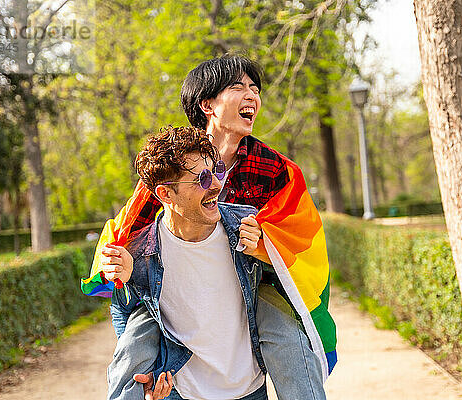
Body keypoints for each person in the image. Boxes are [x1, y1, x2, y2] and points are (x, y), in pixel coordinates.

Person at [82, 55, 335, 399]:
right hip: (180, 297)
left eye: (254, 88)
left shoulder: (275, 168)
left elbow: (302, 234)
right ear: (207, 104)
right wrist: (119, 264)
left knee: (287, 336)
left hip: (254, 284)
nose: (252, 96)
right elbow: (128, 234)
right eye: (238, 87)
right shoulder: (175, 163)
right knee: (135, 342)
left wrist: (264, 244)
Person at [106, 126, 322, 400]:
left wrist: (265, 251)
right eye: (202, 179)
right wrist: (151, 371)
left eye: (216, 171)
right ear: (165, 194)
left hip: (250, 391)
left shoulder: (248, 227)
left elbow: (296, 283)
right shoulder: (140, 253)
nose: (218, 185)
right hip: (182, 393)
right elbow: (124, 314)